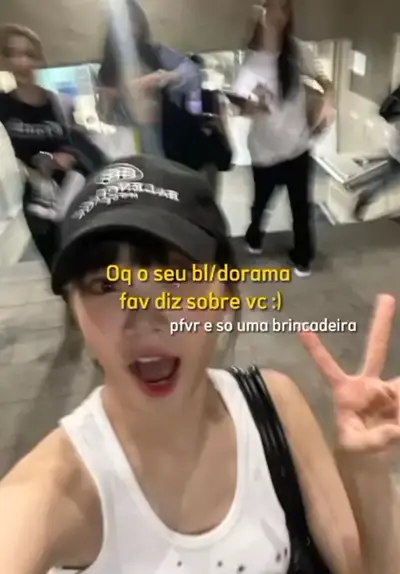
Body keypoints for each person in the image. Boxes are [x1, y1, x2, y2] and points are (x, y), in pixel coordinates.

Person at [1, 154, 399, 574]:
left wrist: (366, 468)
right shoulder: (57, 485)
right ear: (74, 310)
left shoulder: (274, 405)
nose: (145, 318)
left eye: (175, 277)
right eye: (104, 285)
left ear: (226, 291)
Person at [232, 0, 334, 277]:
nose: (278, 14)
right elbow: (240, 105)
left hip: (298, 147)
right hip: (265, 153)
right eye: (272, 7)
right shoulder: (251, 62)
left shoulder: (298, 50)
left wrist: (328, 100)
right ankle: (254, 235)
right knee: (261, 204)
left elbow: (325, 81)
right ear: (261, 13)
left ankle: (303, 257)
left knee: (301, 208)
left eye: (284, 7)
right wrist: (253, 107)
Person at [0, 24, 76, 271]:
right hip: (27, 206)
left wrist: (66, 156)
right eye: (14, 54)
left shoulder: (60, 103)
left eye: (29, 54)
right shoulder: (3, 105)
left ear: (39, 59)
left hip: (67, 199)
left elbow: (74, 144)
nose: (22, 62)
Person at [96, 0, 207, 168]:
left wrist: (163, 77)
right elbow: (105, 117)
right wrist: (109, 99)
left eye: (133, 22)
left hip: (170, 140)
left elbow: (193, 74)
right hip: (131, 147)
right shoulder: (108, 68)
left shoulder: (157, 54)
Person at [352, 84, 400, 219]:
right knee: (391, 178)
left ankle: (366, 195)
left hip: (395, 143)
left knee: (390, 175)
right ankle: (366, 196)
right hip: (397, 146)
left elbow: (386, 112)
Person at [187, 53, 232, 195]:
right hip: (196, 151)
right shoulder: (210, 96)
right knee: (206, 193)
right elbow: (222, 124)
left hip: (203, 151)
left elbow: (221, 123)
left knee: (205, 193)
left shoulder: (210, 96)